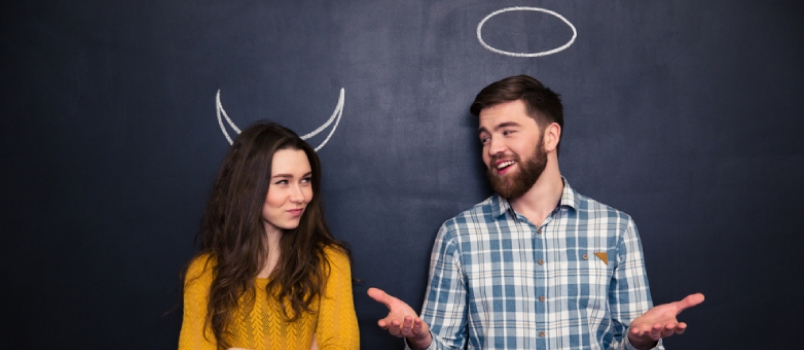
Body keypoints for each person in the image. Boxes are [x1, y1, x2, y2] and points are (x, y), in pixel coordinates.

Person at [368, 75, 704, 350]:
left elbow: (637, 336)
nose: (493, 148)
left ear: (550, 136)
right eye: (485, 138)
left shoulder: (615, 229)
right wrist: (421, 341)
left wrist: (639, 342)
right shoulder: (459, 235)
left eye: (508, 131)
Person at [179, 122, 359, 350]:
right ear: (249, 188)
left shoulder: (330, 262)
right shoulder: (204, 272)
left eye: (306, 179)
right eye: (283, 182)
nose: (300, 195)